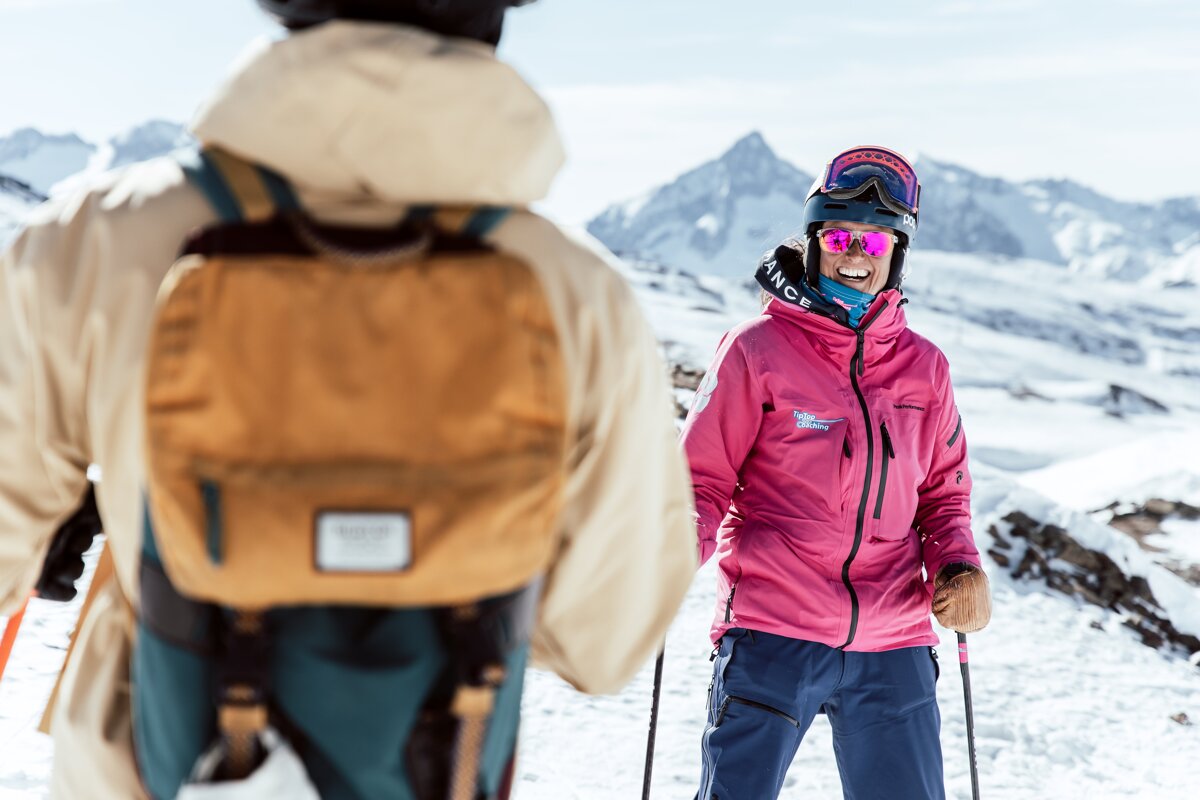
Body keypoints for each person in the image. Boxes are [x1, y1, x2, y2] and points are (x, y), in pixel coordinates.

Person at [0, 2, 696, 797]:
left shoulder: (96, 241)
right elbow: (604, 638)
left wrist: (159, 512)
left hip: (149, 765)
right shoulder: (576, 293)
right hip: (432, 762)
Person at [682, 145, 992, 800]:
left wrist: (958, 568)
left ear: (897, 251)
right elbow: (700, 480)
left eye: (876, 240)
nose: (858, 254)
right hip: (772, 631)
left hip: (895, 640)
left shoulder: (925, 367)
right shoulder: (755, 351)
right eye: (844, 236)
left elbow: (943, 494)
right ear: (816, 239)